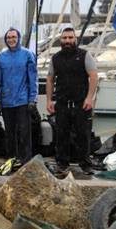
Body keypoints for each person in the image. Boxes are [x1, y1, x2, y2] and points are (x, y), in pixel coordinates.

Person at [46, 27, 98, 173]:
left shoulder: (84, 55)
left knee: (83, 135)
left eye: (70, 38)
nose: (67, 41)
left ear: (75, 39)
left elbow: (93, 76)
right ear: (60, 40)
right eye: (64, 38)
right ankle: (62, 163)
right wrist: (49, 100)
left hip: (81, 103)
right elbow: (50, 80)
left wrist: (89, 98)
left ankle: (85, 164)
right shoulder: (55, 58)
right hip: (62, 104)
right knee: (61, 135)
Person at [0, 28, 37, 165]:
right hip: (7, 101)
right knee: (9, 133)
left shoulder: (27, 55)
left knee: (24, 132)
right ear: (5, 40)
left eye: (14, 37)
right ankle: (11, 158)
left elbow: (32, 78)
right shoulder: (1, 58)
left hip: (23, 101)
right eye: (8, 38)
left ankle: (26, 160)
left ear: (18, 38)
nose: (11, 40)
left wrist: (32, 99)